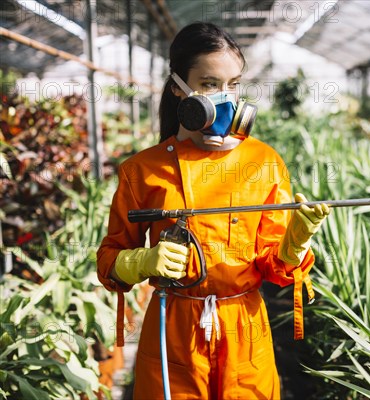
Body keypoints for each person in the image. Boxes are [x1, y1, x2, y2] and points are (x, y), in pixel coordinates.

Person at [96, 22, 330, 399]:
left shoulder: (263, 161)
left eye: (233, 85)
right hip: (174, 330)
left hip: (244, 329)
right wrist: (139, 261)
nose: (226, 98)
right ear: (178, 88)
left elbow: (276, 267)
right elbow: (109, 258)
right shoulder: (143, 170)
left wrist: (296, 241)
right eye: (209, 85)